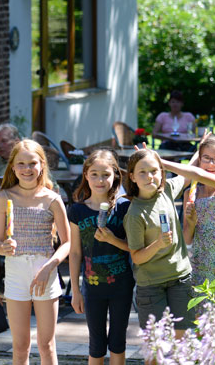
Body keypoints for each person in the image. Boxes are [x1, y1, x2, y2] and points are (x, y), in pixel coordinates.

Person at [0, 140, 70, 365]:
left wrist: (49, 267)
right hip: (16, 272)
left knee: (46, 345)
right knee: (20, 347)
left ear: (41, 165)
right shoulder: (3, 197)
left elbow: (67, 243)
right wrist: (2, 247)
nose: (27, 169)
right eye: (21, 164)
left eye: (32, 163)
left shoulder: (52, 199)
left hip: (45, 271)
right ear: (13, 168)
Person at [67, 149, 133, 365]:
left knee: (117, 342)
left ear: (115, 175)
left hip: (121, 285)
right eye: (94, 174)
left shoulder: (124, 208)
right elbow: (75, 252)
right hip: (92, 287)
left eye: (105, 174)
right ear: (85, 175)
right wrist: (75, 291)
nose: (100, 180)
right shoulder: (77, 211)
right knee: (96, 345)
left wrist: (113, 240)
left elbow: (133, 248)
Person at [124, 148, 194, 344]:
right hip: (151, 286)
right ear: (132, 177)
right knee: (156, 348)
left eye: (154, 171)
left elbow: (189, 171)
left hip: (180, 279)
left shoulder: (168, 190)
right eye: (142, 172)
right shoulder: (135, 214)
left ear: (162, 172)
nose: (149, 177)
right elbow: (136, 257)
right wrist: (158, 244)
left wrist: (200, 149)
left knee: (183, 344)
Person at [161, 135, 215, 287]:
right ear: (199, 162)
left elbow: (198, 174)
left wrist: (161, 162)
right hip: (201, 268)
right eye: (206, 158)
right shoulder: (191, 195)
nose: (211, 164)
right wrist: (190, 222)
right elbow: (187, 239)